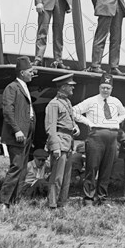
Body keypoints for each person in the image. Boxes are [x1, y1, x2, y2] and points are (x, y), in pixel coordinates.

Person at [73, 73, 125, 205]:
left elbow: (124, 113)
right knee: (92, 168)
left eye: (108, 88)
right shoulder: (91, 101)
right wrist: (88, 122)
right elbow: (74, 111)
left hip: (112, 137)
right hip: (96, 136)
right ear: (99, 87)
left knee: (107, 169)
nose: (105, 90)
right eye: (103, 87)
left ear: (111, 89)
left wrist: (116, 122)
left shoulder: (116, 101)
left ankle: (102, 197)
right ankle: (88, 198)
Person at [0, 56, 37, 209]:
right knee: (16, 167)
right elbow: (8, 111)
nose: (32, 74)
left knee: (21, 167)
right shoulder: (12, 87)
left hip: (26, 134)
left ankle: (12, 200)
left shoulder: (24, 86)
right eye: (30, 71)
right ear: (22, 73)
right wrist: (17, 130)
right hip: (18, 135)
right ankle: (3, 201)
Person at [44, 73, 80, 209]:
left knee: (66, 177)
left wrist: (75, 127)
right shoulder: (53, 104)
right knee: (56, 177)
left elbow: (69, 121)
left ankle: (62, 202)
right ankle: (52, 204)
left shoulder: (67, 102)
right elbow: (50, 127)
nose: (73, 88)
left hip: (68, 142)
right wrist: (55, 147)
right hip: (60, 143)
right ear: (63, 87)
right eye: (70, 86)